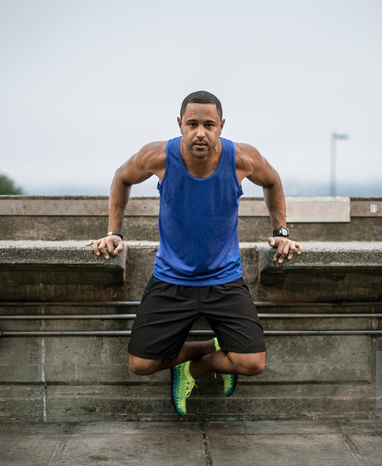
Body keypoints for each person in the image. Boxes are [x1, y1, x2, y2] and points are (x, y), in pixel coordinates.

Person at [86, 90, 302, 416]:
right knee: (141, 364)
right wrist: (114, 232)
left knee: (252, 362)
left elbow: (271, 182)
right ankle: (210, 348)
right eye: (192, 124)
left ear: (222, 126)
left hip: (225, 280)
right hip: (170, 278)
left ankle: (195, 368)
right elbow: (122, 177)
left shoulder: (242, 158)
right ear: (180, 124)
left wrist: (281, 232)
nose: (200, 133)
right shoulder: (158, 156)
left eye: (209, 125)